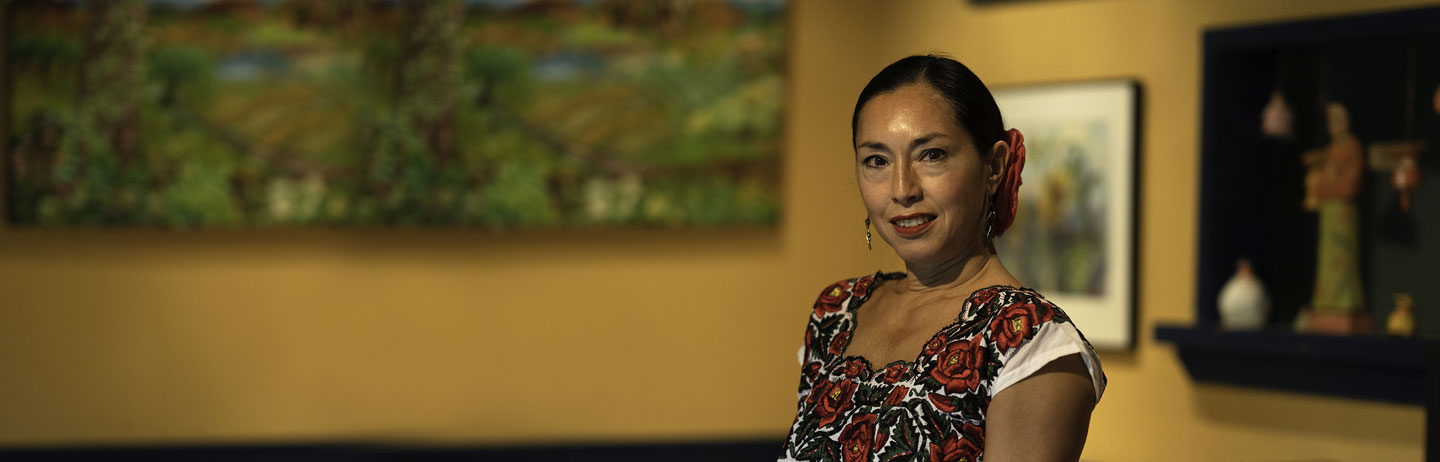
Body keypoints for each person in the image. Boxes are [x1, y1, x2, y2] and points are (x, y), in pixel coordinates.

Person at [779, 55, 1106, 462]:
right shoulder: (837, 311)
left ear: (994, 166)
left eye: (931, 155)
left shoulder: (1030, 345)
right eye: (877, 161)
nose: (902, 189)